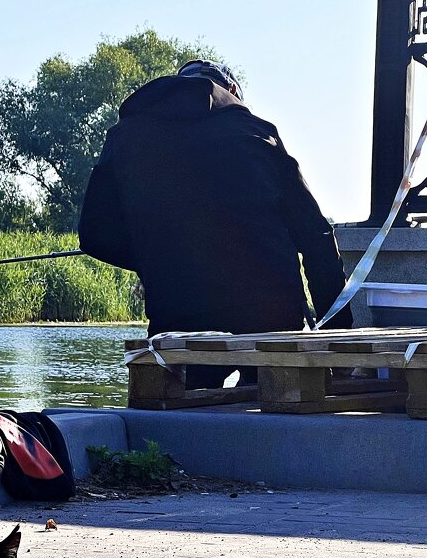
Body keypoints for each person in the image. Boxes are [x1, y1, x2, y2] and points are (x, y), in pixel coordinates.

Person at [77, 59, 353, 386]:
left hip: (177, 319)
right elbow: (316, 236)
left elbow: (95, 235)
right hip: (269, 317)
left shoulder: (125, 137)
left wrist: (160, 259)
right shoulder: (257, 133)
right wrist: (337, 333)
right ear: (232, 91)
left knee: (186, 417)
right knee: (278, 409)